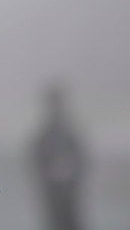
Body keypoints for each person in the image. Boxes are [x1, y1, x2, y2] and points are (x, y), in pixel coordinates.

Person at [30, 83, 87, 230]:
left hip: (68, 193)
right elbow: (36, 163)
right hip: (54, 194)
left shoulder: (67, 134)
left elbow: (81, 161)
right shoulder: (46, 136)